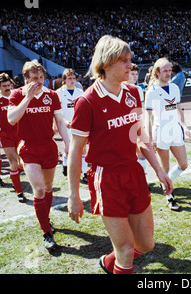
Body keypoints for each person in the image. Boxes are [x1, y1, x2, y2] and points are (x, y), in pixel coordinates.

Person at [67, 35, 173, 274]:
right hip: (106, 178)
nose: (130, 65)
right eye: (124, 60)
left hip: (134, 172)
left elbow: (140, 136)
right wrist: (74, 194)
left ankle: (108, 263)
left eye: (130, 60)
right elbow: (75, 153)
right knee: (125, 250)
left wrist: (159, 170)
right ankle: (117, 264)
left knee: (146, 244)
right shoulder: (87, 101)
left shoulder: (134, 92)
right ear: (105, 64)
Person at [8, 59, 70, 251]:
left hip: (48, 146)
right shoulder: (17, 94)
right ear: (26, 79)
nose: (39, 81)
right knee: (39, 189)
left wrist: (68, 144)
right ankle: (46, 233)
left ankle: (46, 218)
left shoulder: (51, 95)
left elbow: (60, 121)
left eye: (41, 77)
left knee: (49, 186)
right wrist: (27, 98)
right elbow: (11, 119)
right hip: (28, 148)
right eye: (34, 78)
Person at [145, 57, 191, 211]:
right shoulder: (152, 91)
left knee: (183, 164)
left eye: (170, 70)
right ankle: (169, 196)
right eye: (164, 70)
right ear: (157, 72)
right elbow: (148, 117)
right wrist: (150, 138)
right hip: (161, 133)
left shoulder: (174, 88)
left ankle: (166, 182)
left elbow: (178, 109)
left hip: (175, 131)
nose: (168, 73)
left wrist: (184, 126)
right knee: (164, 167)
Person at [0, 73, 26, 202]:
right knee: (13, 163)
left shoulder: (17, 95)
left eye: (9, 85)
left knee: (23, 163)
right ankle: (19, 192)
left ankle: (17, 178)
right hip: (6, 135)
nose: (8, 88)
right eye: (4, 86)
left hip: (21, 133)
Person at [55, 68, 87, 182]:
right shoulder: (58, 93)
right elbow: (55, 112)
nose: (72, 81)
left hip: (78, 125)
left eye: (74, 78)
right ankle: (65, 163)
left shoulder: (80, 92)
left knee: (83, 149)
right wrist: (63, 121)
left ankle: (84, 173)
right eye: (69, 78)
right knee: (68, 148)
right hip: (65, 124)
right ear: (64, 80)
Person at [126, 63, 147, 173]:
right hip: (124, 125)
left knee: (141, 150)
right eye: (132, 74)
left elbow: (141, 108)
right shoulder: (120, 88)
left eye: (136, 74)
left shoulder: (138, 89)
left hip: (136, 125)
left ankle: (142, 175)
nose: (135, 76)